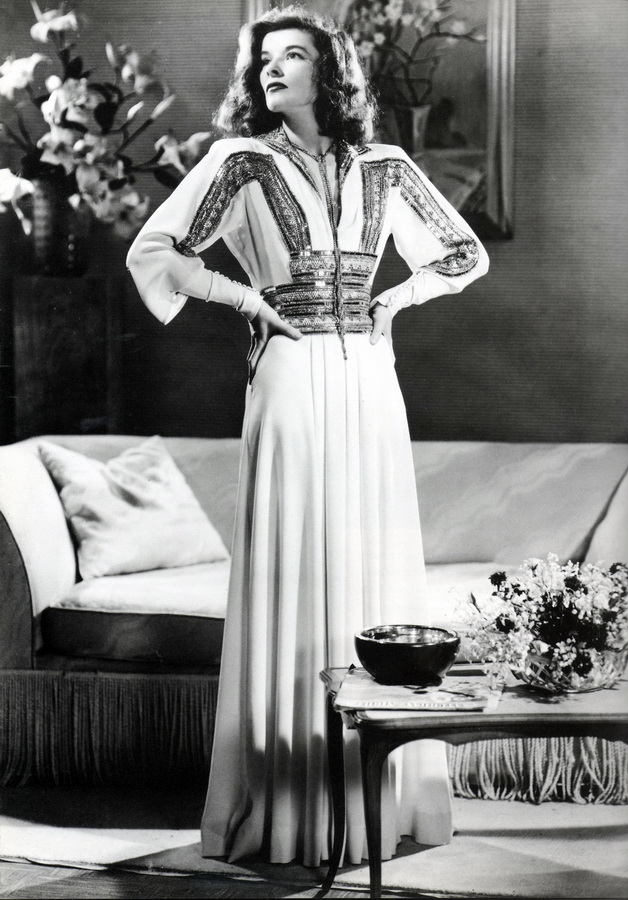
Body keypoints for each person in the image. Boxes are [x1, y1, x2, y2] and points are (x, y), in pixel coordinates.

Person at [126, 4, 489, 869]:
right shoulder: (239, 161)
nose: (272, 69)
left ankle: (378, 799)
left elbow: (462, 254)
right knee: (294, 558)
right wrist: (245, 300)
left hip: (369, 375)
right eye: (262, 59)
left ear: (331, 71)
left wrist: (396, 299)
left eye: (292, 54)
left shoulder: (387, 166)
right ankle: (290, 805)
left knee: (370, 555)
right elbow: (158, 249)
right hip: (287, 370)